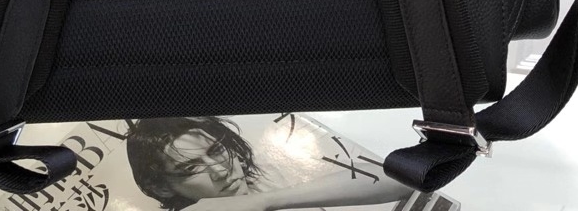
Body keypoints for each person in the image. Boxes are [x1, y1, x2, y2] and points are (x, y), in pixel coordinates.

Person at [125, 117, 416, 211]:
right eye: (190, 169)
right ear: (161, 188)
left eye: (216, 151)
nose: (221, 171)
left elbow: (403, 180)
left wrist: (265, 200)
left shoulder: (266, 176)